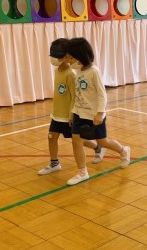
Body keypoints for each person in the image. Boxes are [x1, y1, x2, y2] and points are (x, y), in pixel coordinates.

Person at [65, 37, 131, 185]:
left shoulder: (94, 71)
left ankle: (123, 150)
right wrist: (72, 112)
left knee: (103, 141)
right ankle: (82, 172)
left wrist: (100, 113)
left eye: (70, 56)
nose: (68, 59)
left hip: (94, 114)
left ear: (80, 55)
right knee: (76, 141)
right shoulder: (78, 71)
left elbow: (102, 94)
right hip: (79, 112)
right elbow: (78, 94)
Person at [38, 39, 105, 176]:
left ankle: (97, 147)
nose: (53, 59)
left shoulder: (72, 74)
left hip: (68, 115)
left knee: (79, 140)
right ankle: (54, 163)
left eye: (57, 56)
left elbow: (75, 96)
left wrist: (71, 115)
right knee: (52, 137)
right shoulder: (58, 71)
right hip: (57, 114)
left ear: (67, 57)